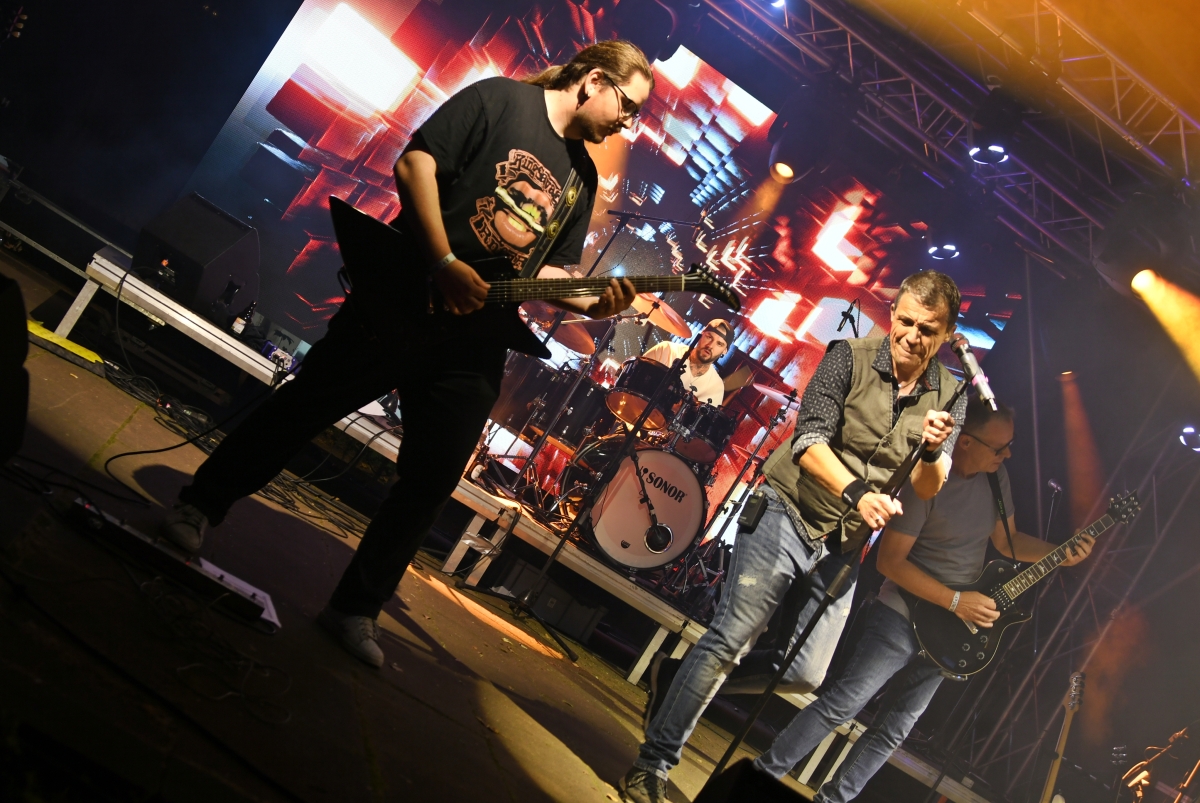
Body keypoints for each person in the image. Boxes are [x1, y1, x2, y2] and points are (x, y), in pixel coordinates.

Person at [161, 42, 650, 668]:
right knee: (305, 407)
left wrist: (593, 304)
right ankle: (199, 506)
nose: (628, 122)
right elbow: (416, 164)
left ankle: (355, 607)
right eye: (628, 105)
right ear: (594, 81)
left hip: (472, 337)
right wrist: (444, 261)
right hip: (403, 296)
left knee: (435, 474)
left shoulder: (581, 178)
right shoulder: (501, 100)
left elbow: (548, 271)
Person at [620, 270, 966, 803]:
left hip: (842, 543)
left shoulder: (950, 393)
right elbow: (808, 441)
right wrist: (858, 494)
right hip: (787, 508)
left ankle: (677, 675)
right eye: (906, 321)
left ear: (945, 336)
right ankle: (653, 764)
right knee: (731, 640)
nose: (912, 336)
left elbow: (930, 485)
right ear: (895, 313)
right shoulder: (848, 356)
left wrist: (931, 450)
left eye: (927, 330)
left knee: (805, 673)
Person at [751, 397, 1095, 801]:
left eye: (1009, 445)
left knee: (893, 730)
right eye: (999, 447)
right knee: (844, 703)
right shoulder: (928, 481)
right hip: (902, 613)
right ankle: (764, 773)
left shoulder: (995, 479)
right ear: (965, 441)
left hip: (952, 629)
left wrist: (1061, 553)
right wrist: (956, 602)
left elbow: (1008, 541)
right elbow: (889, 563)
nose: (1007, 455)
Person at [641, 319, 732, 406]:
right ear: (701, 334)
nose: (710, 346)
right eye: (709, 337)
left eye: (719, 344)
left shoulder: (716, 387)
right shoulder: (666, 349)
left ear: (725, 351)